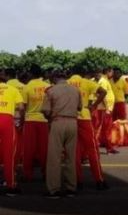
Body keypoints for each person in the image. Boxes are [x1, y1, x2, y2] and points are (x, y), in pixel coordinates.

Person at [42, 70, 82, 198]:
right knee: (71, 157)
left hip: (58, 122)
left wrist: (50, 120)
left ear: (54, 78)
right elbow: (80, 107)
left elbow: (46, 111)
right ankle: (71, 188)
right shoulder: (75, 90)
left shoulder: (51, 91)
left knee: (54, 158)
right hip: (73, 123)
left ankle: (54, 189)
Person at [68, 67, 109, 191]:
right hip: (85, 117)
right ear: (83, 74)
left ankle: (78, 181)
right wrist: (94, 105)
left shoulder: (67, 83)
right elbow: (103, 92)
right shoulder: (87, 82)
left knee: (74, 151)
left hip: (70, 118)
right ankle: (99, 180)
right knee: (92, 149)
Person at [22, 64, 50, 181]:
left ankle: (28, 174)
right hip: (44, 120)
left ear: (31, 74)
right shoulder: (48, 87)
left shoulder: (27, 87)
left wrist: (23, 120)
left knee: (28, 149)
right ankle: (46, 173)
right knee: (44, 149)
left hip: (30, 120)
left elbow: (23, 106)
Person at [0, 68, 24, 197]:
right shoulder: (12, 89)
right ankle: (10, 185)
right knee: (9, 154)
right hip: (7, 121)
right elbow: (21, 107)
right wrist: (21, 119)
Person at [5, 68, 25, 166]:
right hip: (20, 116)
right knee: (19, 140)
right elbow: (23, 105)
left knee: (6, 142)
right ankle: (18, 159)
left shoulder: (6, 86)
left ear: (7, 75)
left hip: (8, 115)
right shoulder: (23, 86)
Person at [97, 67, 118, 154]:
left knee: (106, 129)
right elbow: (102, 95)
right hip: (105, 109)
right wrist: (107, 108)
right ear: (107, 72)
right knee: (106, 129)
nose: (112, 74)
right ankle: (109, 148)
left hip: (107, 108)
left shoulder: (105, 81)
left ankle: (109, 147)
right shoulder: (103, 81)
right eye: (112, 72)